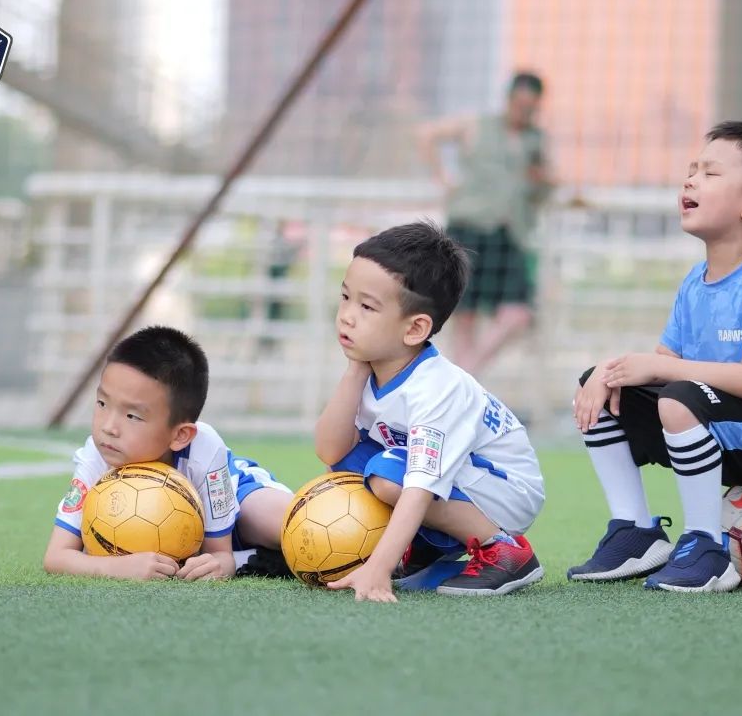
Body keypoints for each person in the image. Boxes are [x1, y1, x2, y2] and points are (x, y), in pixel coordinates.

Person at [568, 121, 742, 592]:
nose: (690, 181)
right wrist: (609, 372)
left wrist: (661, 368)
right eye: (691, 171)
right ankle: (635, 530)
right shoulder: (696, 281)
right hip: (724, 427)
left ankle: (706, 548)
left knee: (679, 398)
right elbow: (660, 369)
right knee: (600, 385)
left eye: (710, 173)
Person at [313, 221, 546, 602]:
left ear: (415, 329)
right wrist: (355, 370)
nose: (347, 316)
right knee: (351, 463)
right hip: (456, 479)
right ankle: (427, 549)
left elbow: (420, 485)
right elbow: (330, 450)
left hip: (505, 490)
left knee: (388, 475)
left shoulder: (436, 388)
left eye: (367, 306)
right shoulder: (376, 366)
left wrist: (379, 568)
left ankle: (503, 550)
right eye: (345, 297)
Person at [43, 326, 293, 580]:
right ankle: (258, 559)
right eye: (102, 403)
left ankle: (256, 555)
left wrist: (223, 563)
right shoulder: (97, 454)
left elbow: (219, 554)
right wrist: (119, 568)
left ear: (180, 435)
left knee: (295, 529)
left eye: (132, 416)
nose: (108, 427)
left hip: (236, 490)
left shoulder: (205, 450)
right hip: (185, 534)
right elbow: (56, 556)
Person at [417, 72, 553, 374]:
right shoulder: (476, 125)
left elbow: (545, 186)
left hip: (510, 234)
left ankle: (463, 374)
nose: (523, 112)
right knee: (464, 315)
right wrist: (442, 177)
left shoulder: (536, 141)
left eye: (530, 107)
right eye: (519, 104)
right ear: (509, 100)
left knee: (518, 314)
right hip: (468, 228)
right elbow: (427, 134)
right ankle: (462, 381)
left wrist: (542, 181)